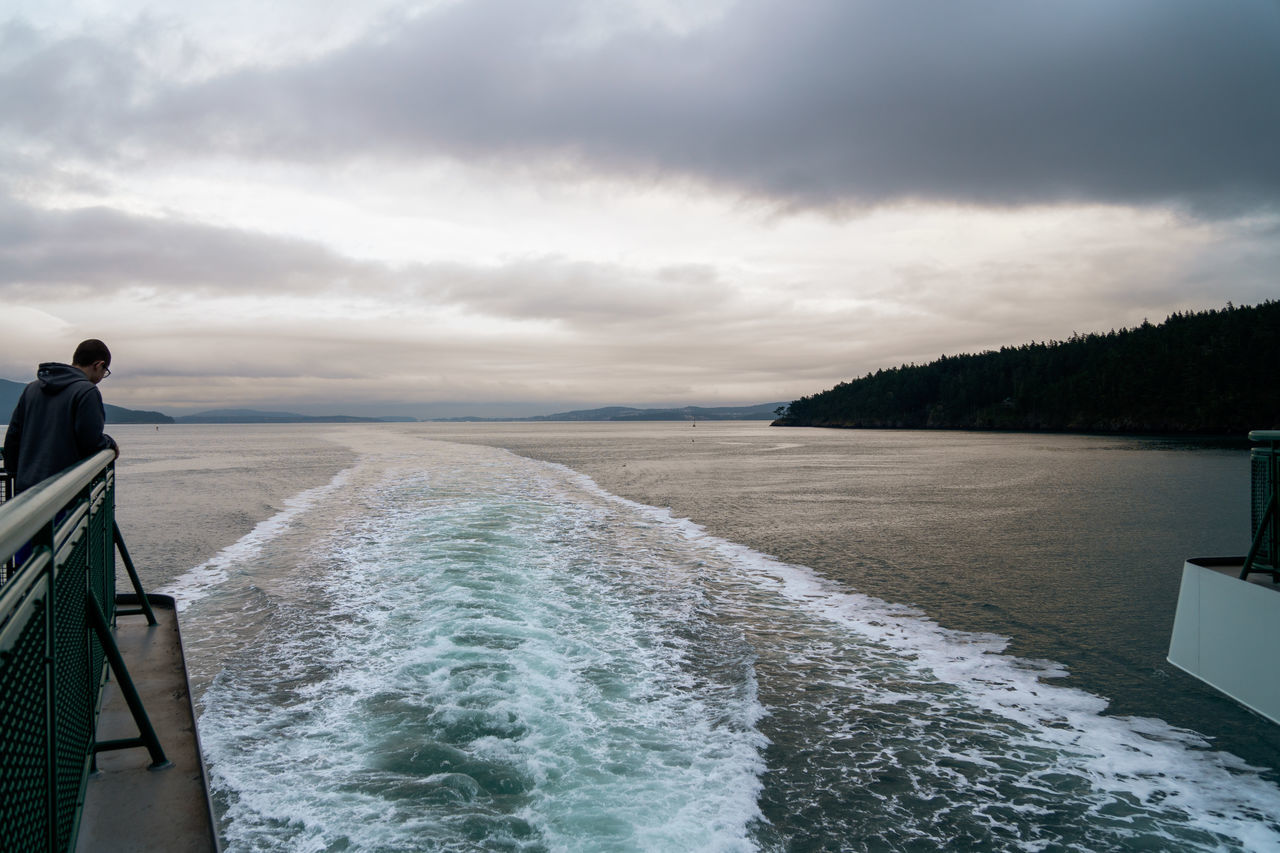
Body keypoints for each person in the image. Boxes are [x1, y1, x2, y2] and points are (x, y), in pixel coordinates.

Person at [3, 339, 119, 495]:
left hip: (26, 493)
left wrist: (15, 475)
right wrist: (110, 443)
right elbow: (91, 442)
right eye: (104, 372)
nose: (101, 377)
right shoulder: (87, 391)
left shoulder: (31, 389)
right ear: (98, 365)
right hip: (64, 493)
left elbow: (12, 439)